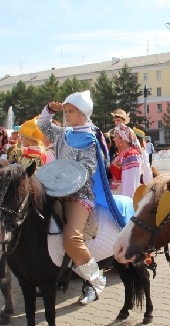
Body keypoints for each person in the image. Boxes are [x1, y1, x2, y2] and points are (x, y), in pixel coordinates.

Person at [38, 91, 132, 305]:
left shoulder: (90, 139)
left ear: (83, 113)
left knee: (71, 238)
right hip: (54, 190)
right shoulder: (63, 133)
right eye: (65, 111)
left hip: (79, 194)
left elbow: (88, 169)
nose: (66, 115)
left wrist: (65, 181)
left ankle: (96, 280)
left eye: (71, 111)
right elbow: (43, 125)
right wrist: (50, 110)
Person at [110, 124, 142, 197]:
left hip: (123, 196)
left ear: (122, 138)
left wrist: (126, 200)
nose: (113, 139)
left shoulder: (131, 155)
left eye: (115, 136)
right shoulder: (120, 154)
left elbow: (130, 185)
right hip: (117, 195)